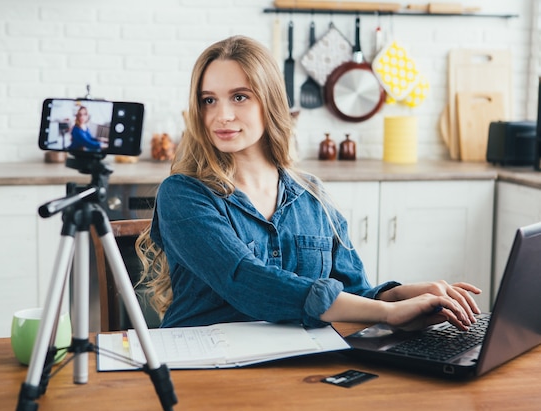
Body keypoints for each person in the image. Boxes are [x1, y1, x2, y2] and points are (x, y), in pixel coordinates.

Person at [137, 35, 481, 331]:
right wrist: (387, 313)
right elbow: (246, 280)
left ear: (269, 101)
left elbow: (355, 292)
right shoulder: (184, 194)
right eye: (208, 100)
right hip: (202, 367)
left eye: (239, 96)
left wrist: (402, 295)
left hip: (297, 364)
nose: (221, 115)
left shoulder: (310, 194)